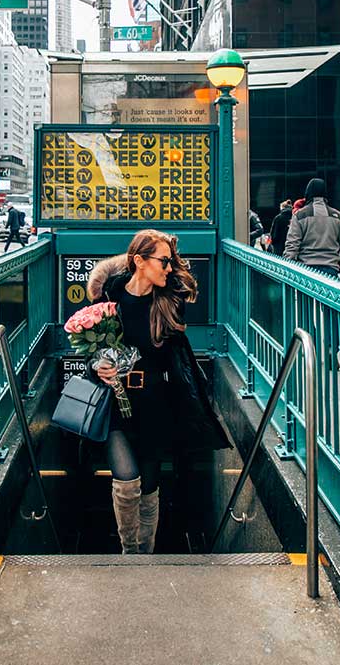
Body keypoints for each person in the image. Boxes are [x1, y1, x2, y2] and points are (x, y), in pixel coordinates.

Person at [87, 229, 230, 555]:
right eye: (163, 261)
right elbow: (92, 347)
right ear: (139, 261)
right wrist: (98, 365)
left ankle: (146, 552)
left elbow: (175, 359)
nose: (169, 268)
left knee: (149, 486)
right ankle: (130, 552)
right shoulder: (111, 295)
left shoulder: (168, 302)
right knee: (127, 480)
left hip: (156, 406)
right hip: (115, 403)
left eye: (170, 262)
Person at [283, 178, 340, 277]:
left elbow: (292, 245)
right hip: (330, 269)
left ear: (307, 193)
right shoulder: (338, 216)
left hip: (306, 270)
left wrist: (287, 266)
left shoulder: (299, 215)